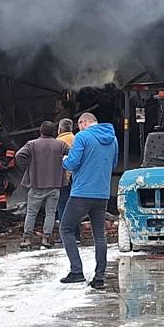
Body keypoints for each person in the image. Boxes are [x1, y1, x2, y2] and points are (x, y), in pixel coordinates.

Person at [60, 112, 118, 289]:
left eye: (79, 125)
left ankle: (77, 271)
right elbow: (114, 164)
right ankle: (99, 277)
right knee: (99, 235)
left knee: (66, 228)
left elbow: (72, 164)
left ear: (83, 123)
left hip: (81, 193)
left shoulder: (82, 136)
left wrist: (64, 160)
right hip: (102, 194)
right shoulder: (113, 139)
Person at [16, 121, 69, 250]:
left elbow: (19, 155)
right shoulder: (60, 144)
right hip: (54, 185)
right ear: (54, 132)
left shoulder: (32, 144)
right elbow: (73, 153)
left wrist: (28, 168)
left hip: (36, 185)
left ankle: (27, 238)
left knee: (31, 212)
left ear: (40, 131)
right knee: (50, 213)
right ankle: (46, 238)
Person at [56, 118, 75, 221]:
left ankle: (63, 233)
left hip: (62, 178)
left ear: (59, 129)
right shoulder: (76, 138)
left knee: (62, 204)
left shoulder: (58, 142)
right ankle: (74, 233)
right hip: (75, 177)